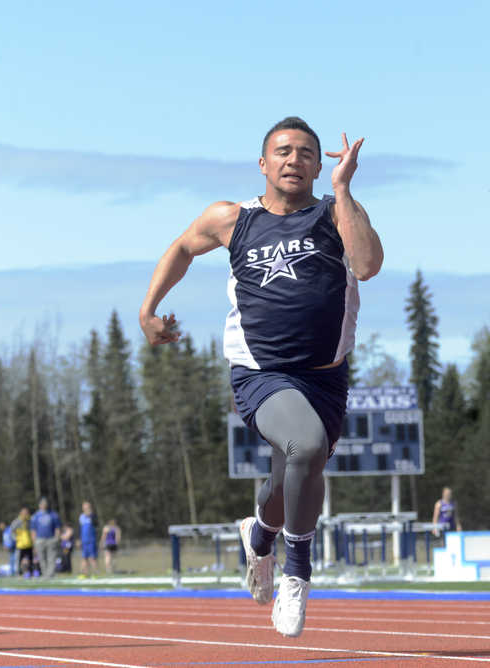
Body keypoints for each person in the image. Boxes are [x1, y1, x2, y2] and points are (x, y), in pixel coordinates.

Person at [139, 116, 381, 638]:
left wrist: (343, 193)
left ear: (321, 165)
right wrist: (149, 310)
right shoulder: (232, 219)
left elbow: (367, 265)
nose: (294, 160)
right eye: (283, 151)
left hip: (324, 377)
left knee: (286, 481)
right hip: (260, 374)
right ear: (263, 163)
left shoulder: (335, 213)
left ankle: (260, 534)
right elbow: (182, 248)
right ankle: (297, 573)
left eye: (306, 154)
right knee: (307, 444)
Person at [30, 497, 61, 578]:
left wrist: (56, 538)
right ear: (39, 505)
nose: (44, 505)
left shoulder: (53, 515)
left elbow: (57, 528)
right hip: (40, 540)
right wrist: (34, 542)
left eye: (45, 503)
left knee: (51, 558)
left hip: (51, 539)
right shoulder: (35, 516)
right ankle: (45, 574)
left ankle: (51, 574)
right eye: (42, 503)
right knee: (41, 558)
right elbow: (33, 530)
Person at [10, 507, 34, 577]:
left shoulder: (31, 521)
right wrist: (16, 539)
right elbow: (11, 531)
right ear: (21, 513)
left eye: (26, 513)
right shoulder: (17, 521)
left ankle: (30, 572)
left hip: (29, 544)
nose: (25, 514)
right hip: (20, 545)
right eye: (24, 513)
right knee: (18, 560)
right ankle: (18, 573)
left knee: (30, 559)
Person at [78, 501, 99, 578]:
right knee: (84, 558)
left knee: (92, 558)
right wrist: (79, 539)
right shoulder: (81, 517)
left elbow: (96, 524)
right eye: (84, 507)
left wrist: (90, 516)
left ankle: (95, 574)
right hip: (84, 541)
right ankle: (83, 574)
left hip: (91, 540)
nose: (86, 509)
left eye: (87, 507)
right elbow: (80, 529)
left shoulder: (93, 516)